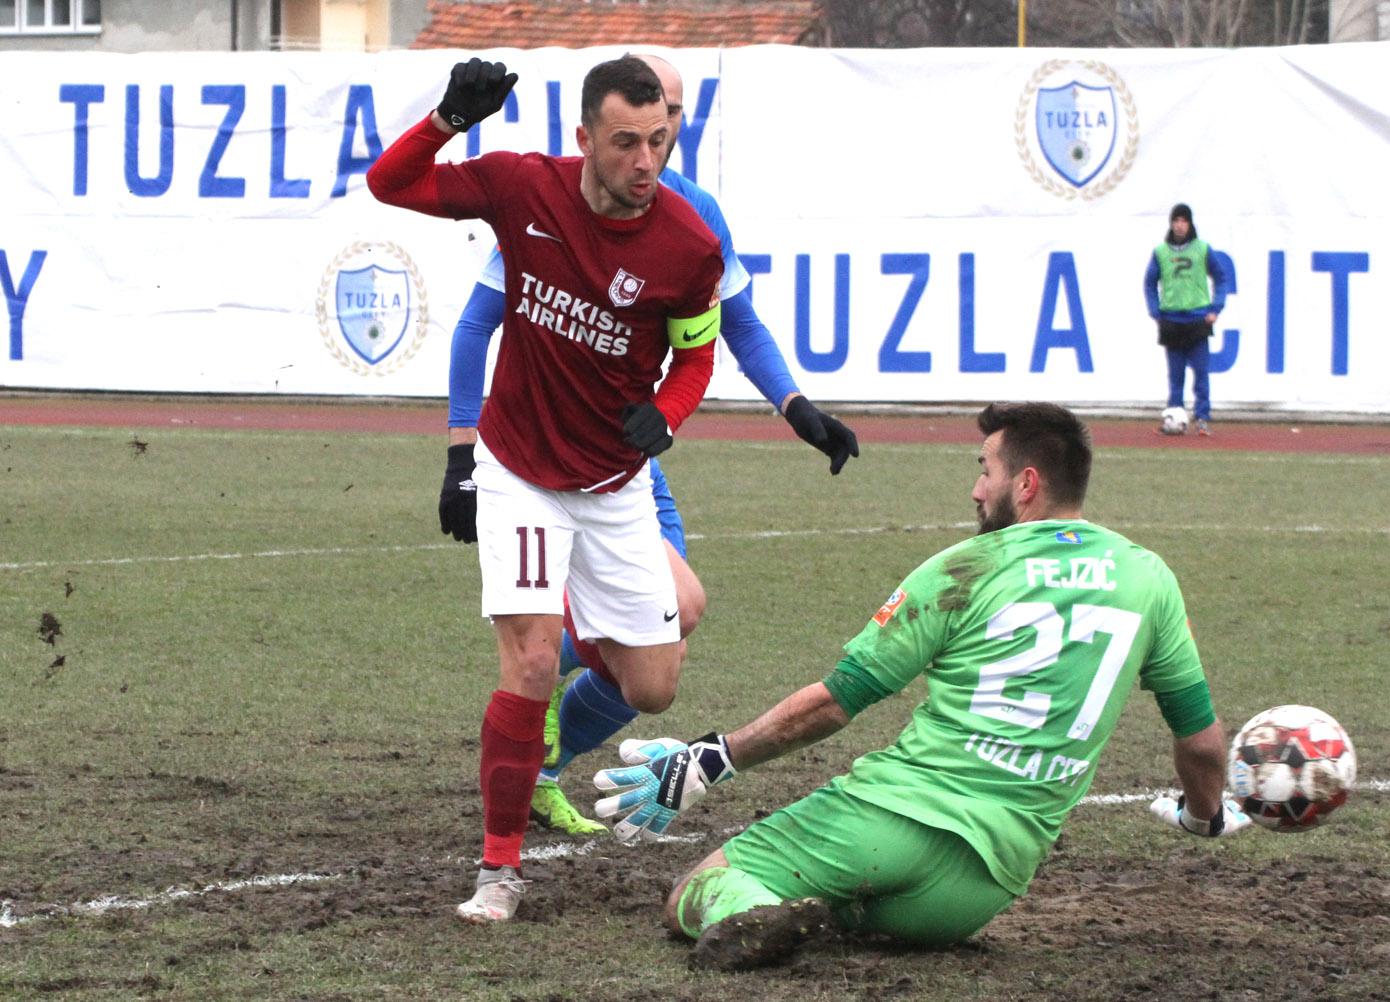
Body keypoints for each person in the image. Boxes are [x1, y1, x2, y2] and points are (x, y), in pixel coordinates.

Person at [591, 402, 1250, 969]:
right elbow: (1199, 740)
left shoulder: (966, 568)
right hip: (977, 890)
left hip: (889, 820)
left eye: (983, 470)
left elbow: (833, 703)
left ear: (1026, 483)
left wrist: (710, 760)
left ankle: (751, 910)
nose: (974, 490)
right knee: (842, 917)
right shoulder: (1149, 578)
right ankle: (810, 916)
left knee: (698, 892)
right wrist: (1202, 815)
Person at [437, 54, 861, 837]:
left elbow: (735, 327)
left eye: (669, 119)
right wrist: (461, 453)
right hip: (541, 455)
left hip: (629, 458)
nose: (651, 143)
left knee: (669, 638)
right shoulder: (561, 200)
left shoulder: (694, 219)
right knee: (670, 612)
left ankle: (548, 752)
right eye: (641, 118)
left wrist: (797, 407)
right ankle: (541, 707)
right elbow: (475, 324)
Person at [367, 54, 726, 924]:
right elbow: (391, 183)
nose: (647, 162)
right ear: (585, 140)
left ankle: (564, 628)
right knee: (527, 660)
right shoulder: (524, 188)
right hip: (520, 468)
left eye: (660, 141)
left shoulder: (689, 246)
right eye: (627, 143)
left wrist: (668, 413)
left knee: (653, 687)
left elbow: (696, 354)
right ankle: (499, 869)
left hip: (613, 485)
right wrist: (448, 119)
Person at [1144, 204, 1227, 436]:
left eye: (1184, 221)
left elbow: (1221, 278)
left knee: (1201, 373)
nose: (1179, 225)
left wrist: (1215, 308)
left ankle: (1201, 418)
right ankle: (1175, 418)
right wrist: (1155, 310)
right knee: (1176, 375)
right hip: (1171, 320)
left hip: (1197, 319)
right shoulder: (1161, 252)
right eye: (1176, 221)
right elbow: (1150, 282)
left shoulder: (1202, 249)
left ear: (1190, 224)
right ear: (1171, 224)